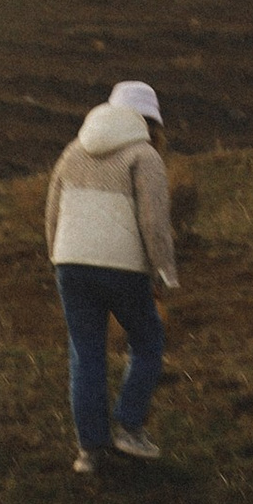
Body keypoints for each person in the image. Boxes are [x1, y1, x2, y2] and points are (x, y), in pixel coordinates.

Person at [44, 81, 178, 475]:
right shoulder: (144, 155)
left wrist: (58, 257)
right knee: (148, 342)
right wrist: (163, 274)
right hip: (122, 267)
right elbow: (155, 224)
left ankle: (90, 451)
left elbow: (52, 211)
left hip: (70, 263)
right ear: (151, 122)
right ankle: (129, 427)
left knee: (85, 353)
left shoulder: (73, 150)